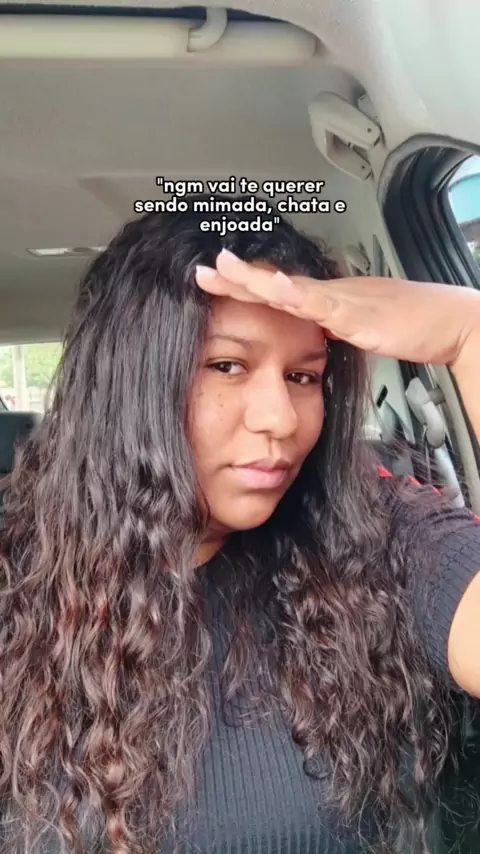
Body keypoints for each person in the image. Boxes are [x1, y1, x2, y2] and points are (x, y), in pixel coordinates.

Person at [0, 195, 480, 854]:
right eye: (227, 365)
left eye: (303, 376)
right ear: (131, 383)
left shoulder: (373, 536)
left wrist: (469, 333)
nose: (280, 418)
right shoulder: (17, 576)